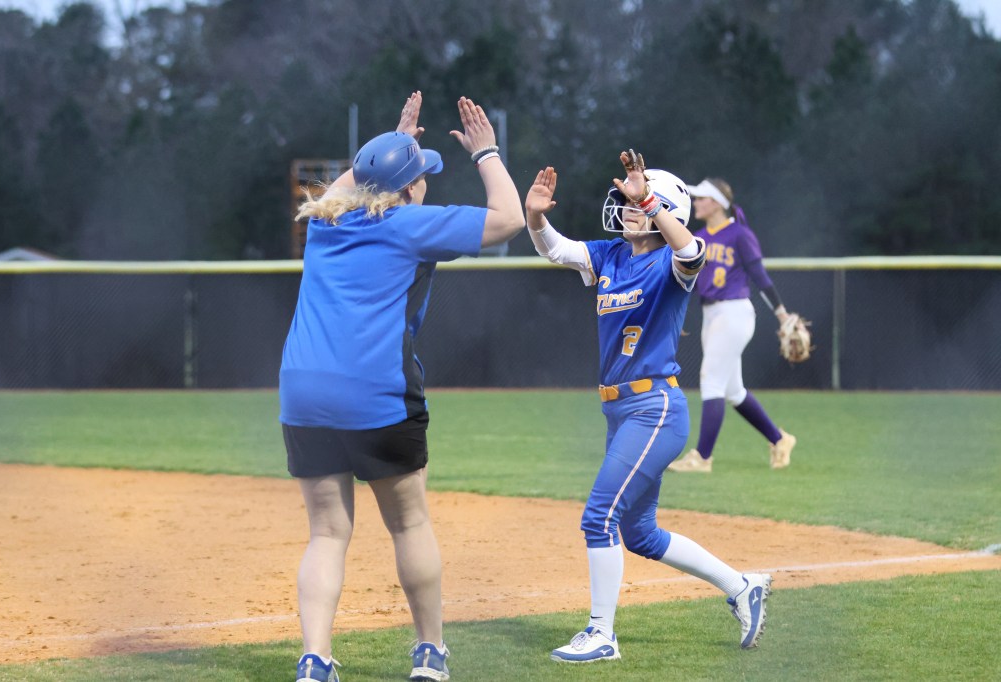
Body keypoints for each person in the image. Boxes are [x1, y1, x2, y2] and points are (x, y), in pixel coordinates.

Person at [281, 91, 525, 682]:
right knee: (409, 523)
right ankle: (430, 654)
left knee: (326, 533)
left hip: (303, 391)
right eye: (421, 175)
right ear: (411, 188)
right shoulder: (412, 225)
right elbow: (511, 218)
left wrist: (390, 147)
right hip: (376, 391)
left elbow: (354, 185)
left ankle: (315, 661)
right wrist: (486, 152)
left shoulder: (324, 222)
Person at [524, 152, 771, 664]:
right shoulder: (611, 254)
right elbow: (557, 250)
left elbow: (693, 251)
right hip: (619, 412)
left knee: (599, 517)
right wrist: (535, 217)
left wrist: (651, 201)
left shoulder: (672, 261)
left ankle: (601, 634)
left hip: (654, 408)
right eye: (627, 203)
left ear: (664, 211)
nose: (627, 208)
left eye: (636, 204)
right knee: (640, 534)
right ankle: (740, 585)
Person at [666, 177, 797, 473]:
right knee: (733, 391)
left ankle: (702, 457)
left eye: (701, 198)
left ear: (716, 203)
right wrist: (677, 314)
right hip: (711, 315)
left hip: (734, 312)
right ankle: (779, 440)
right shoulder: (698, 237)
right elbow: (688, 283)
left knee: (711, 380)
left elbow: (760, 277)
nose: (696, 202)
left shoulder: (739, 234)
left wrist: (782, 314)